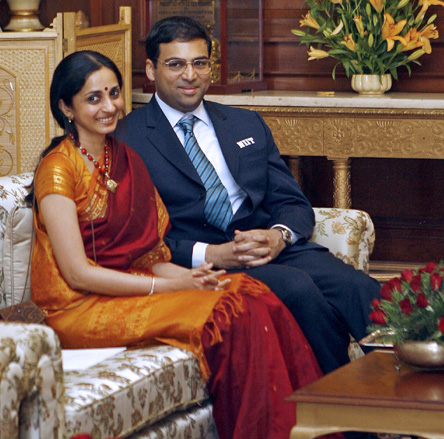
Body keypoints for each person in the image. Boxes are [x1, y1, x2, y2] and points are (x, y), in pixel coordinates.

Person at [28, 50, 326, 439]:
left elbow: (150, 256)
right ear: (66, 106)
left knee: (251, 294)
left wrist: (195, 277)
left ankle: (306, 429)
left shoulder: (126, 158)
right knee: (230, 313)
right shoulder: (57, 170)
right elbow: (77, 273)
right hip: (78, 308)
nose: (109, 106)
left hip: (130, 288)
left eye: (114, 93)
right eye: (93, 98)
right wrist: (173, 286)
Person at [114, 15, 382, 375]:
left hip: (272, 249)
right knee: (298, 291)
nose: (190, 75)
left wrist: (278, 236)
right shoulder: (127, 140)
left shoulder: (245, 123)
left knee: (361, 289)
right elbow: (137, 238)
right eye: (175, 64)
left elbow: (292, 203)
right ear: (151, 69)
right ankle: (343, 419)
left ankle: (410, 405)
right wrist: (212, 254)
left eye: (199, 63)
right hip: (203, 263)